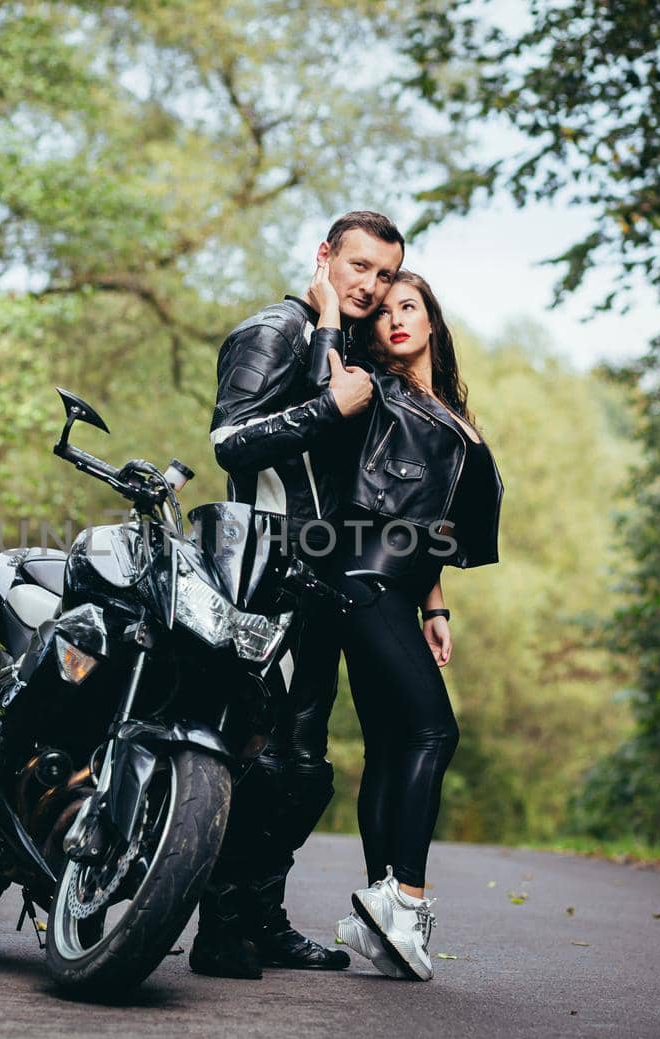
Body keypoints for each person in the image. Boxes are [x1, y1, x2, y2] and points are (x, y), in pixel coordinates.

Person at [193, 211, 405, 979]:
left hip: (325, 584)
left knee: (306, 769)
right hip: (264, 573)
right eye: (359, 266)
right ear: (325, 256)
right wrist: (328, 406)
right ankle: (219, 929)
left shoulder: (345, 347)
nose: (371, 286)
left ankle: (261, 918)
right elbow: (227, 440)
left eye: (384, 275)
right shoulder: (273, 331)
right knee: (262, 759)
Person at [322, 269, 504, 981]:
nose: (396, 318)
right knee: (436, 731)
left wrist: (435, 606)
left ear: (432, 320)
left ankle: (381, 914)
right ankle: (406, 897)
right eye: (385, 312)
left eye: (409, 307)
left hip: (397, 592)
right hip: (364, 583)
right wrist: (330, 303)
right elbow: (328, 368)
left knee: (394, 745)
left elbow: (424, 520)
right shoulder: (377, 386)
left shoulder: (445, 405)